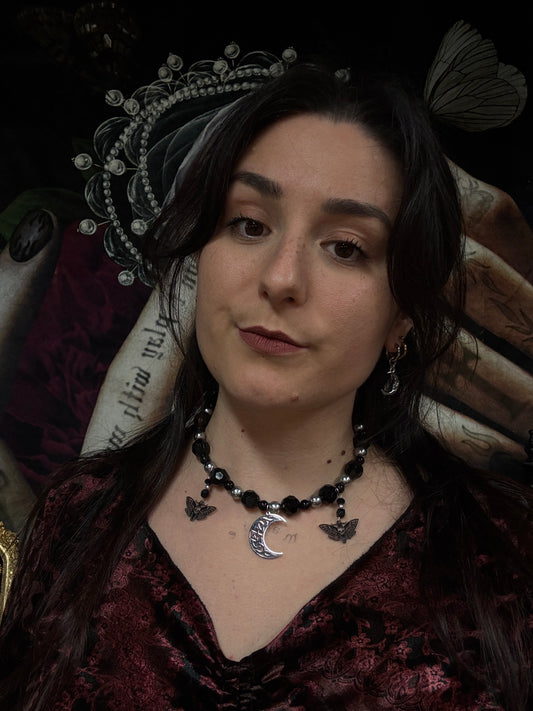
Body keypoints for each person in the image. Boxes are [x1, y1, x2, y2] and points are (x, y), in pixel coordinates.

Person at [0, 55, 532, 711]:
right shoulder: (79, 517)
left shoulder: (498, 558)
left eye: (345, 246)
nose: (281, 278)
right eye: (249, 224)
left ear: (401, 315)